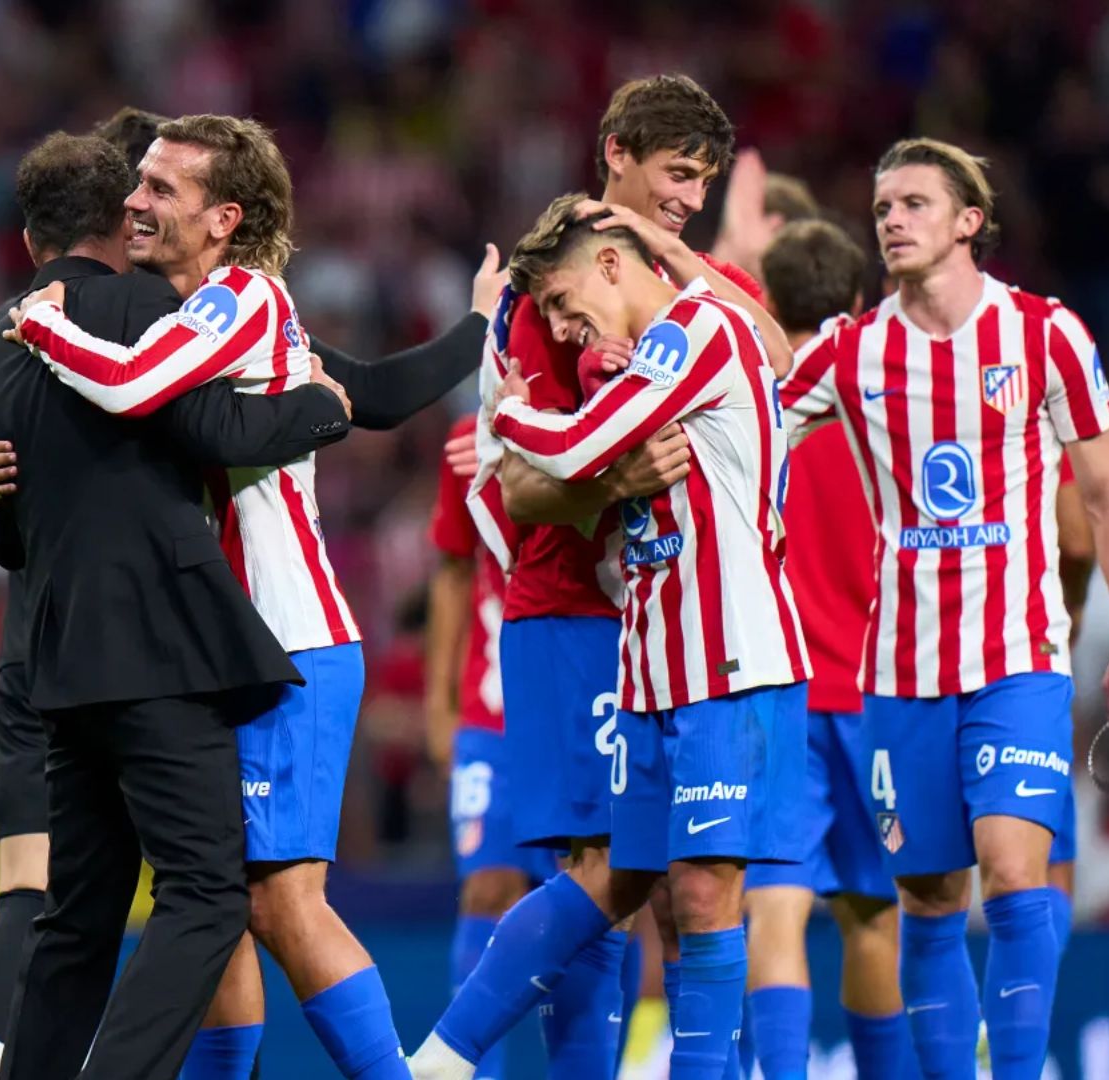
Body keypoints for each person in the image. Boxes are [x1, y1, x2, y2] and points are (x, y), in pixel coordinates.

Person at [0, 110, 499, 1080]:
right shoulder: (189, 313)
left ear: (224, 218)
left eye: (162, 188)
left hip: (285, 639)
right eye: (137, 183)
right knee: (222, 918)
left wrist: (39, 324)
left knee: (281, 904)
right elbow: (350, 398)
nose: (136, 200)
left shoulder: (237, 300)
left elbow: (138, 395)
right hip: (208, 648)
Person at [779, 138, 1109, 1080]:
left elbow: (1108, 497)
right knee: (929, 899)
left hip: (1018, 658)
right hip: (899, 672)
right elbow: (743, 416)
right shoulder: (850, 351)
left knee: (1017, 874)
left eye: (913, 204)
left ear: (968, 222)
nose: (893, 222)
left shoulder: (1045, 335)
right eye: (882, 210)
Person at [433, 76, 785, 1080]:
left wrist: (682, 259)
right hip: (580, 616)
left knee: (698, 888)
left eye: (701, 187)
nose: (687, 199)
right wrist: (615, 472)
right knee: (602, 877)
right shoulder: (553, 288)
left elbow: (776, 367)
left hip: (687, 628)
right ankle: (458, 1057)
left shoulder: (700, 288)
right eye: (675, 175)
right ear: (617, 150)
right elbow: (524, 489)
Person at [740, 219, 912, 1080]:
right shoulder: (886, 403)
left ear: (769, 303)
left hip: (781, 699)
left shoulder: (756, 405)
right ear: (857, 304)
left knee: (772, 909)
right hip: (879, 699)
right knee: (872, 915)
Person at [425, 415, 556, 1080]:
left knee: (608, 908)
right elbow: (452, 568)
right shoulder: (467, 442)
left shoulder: (613, 416)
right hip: (493, 713)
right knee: (486, 890)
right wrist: (439, 700)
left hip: (585, 707)